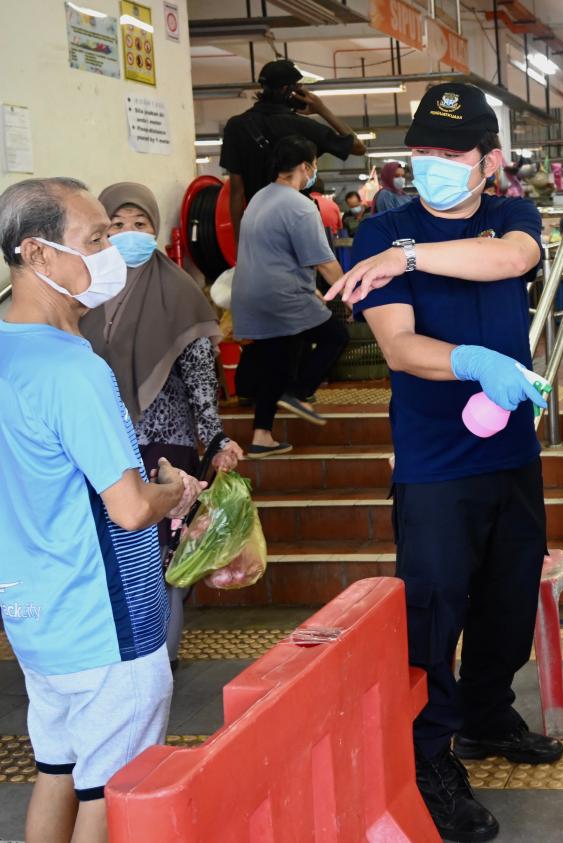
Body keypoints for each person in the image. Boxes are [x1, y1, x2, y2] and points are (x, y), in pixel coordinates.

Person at [323, 82, 561, 843]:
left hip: (511, 452)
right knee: (434, 616)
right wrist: (469, 359)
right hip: (434, 463)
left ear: (490, 162)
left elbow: (511, 259)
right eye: (421, 150)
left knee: (508, 600)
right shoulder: (377, 233)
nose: (432, 164)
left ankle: (489, 717)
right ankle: (429, 759)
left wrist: (412, 256)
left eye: (451, 153)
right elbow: (398, 346)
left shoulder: (504, 217)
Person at [0, 177, 203, 843]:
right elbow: (128, 508)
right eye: (95, 239)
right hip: (106, 620)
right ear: (38, 254)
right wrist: (175, 488)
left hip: (36, 615)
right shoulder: (72, 369)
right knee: (115, 794)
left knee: (58, 770)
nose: (111, 250)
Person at [78, 182, 243, 665]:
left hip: (165, 454)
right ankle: (116, 656)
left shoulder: (180, 293)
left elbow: (200, 383)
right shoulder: (85, 294)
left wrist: (214, 437)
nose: (129, 234)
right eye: (116, 226)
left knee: (162, 561)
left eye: (140, 225)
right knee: (110, 557)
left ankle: (158, 662)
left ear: (156, 228)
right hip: (100, 449)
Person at [230, 135, 350, 457]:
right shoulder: (300, 205)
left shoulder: (259, 197)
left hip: (249, 295)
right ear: (304, 166)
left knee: (277, 359)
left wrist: (310, 289)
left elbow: (275, 252)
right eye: (313, 164)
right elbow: (324, 262)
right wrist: (349, 295)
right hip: (280, 296)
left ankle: (261, 436)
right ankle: (296, 392)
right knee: (335, 336)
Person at [220, 58, 366, 236]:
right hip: (299, 223)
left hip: (258, 225)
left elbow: (237, 190)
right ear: (287, 90)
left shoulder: (236, 126)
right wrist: (322, 109)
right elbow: (359, 147)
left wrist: (240, 241)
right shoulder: (305, 127)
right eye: (298, 87)